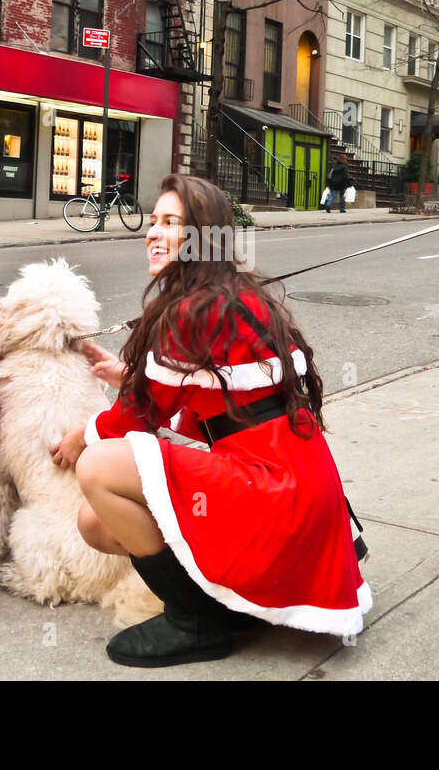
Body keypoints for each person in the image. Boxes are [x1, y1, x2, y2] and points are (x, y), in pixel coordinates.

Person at [51, 173, 371, 666]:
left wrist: (81, 435)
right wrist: (130, 376)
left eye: (171, 222)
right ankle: (229, 601)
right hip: (289, 481)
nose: (153, 232)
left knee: (97, 466)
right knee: (96, 523)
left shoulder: (195, 307)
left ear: (204, 235)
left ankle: (196, 622)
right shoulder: (225, 295)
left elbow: (137, 419)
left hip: (274, 487)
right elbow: (202, 392)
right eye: (153, 221)